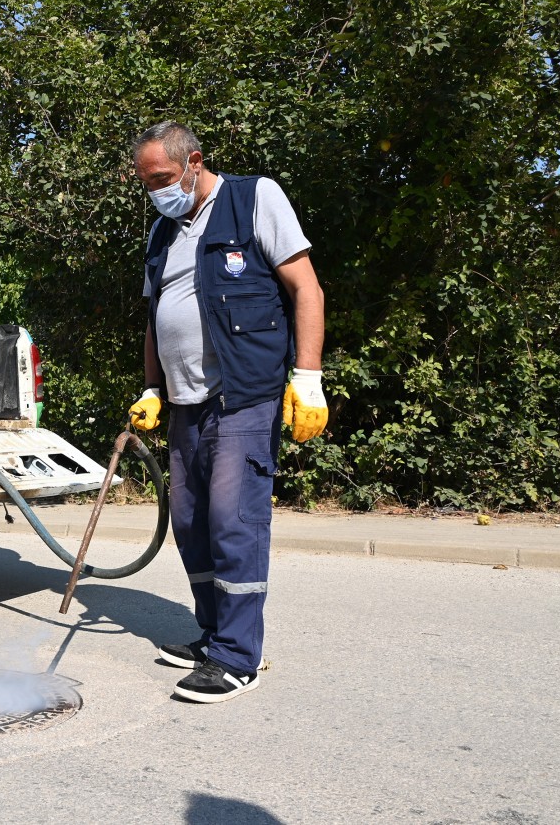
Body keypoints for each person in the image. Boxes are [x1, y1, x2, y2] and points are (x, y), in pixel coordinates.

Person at [127, 122, 327, 703]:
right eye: (147, 184)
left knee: (233, 521)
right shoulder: (163, 233)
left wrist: (308, 378)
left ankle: (239, 657)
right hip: (184, 402)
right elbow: (155, 317)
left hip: (242, 395)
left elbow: (306, 289)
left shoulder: (254, 197)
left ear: (194, 161)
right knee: (190, 525)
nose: (157, 192)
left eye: (163, 178)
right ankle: (215, 636)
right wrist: (153, 389)